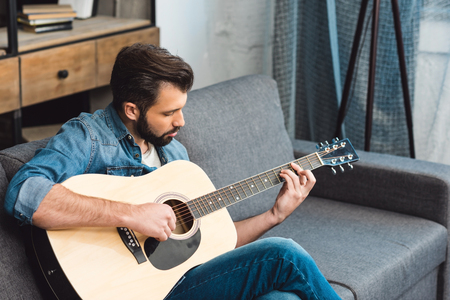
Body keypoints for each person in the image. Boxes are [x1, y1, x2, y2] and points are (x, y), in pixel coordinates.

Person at [5, 43, 341, 300]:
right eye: (169, 112)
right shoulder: (89, 138)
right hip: (131, 291)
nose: (181, 122)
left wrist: (274, 215)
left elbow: (216, 245)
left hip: (182, 283)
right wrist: (132, 214)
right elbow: (26, 193)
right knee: (284, 254)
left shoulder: (174, 155)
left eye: (182, 108)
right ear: (132, 109)